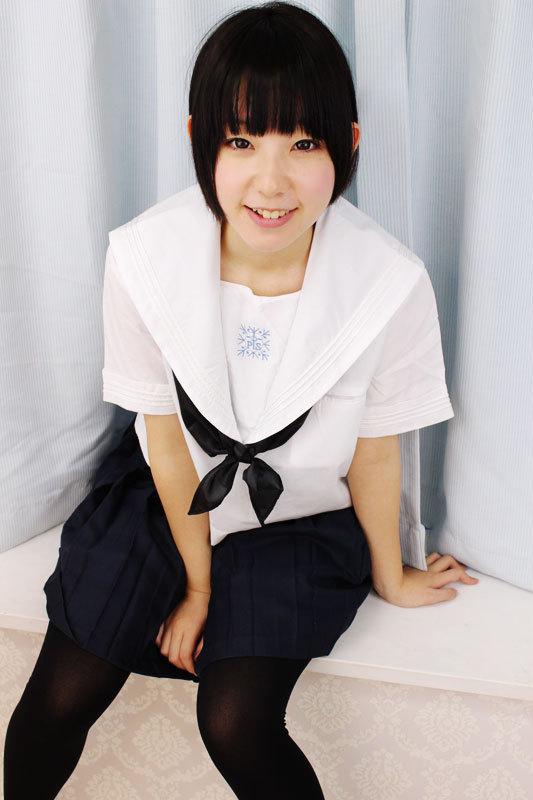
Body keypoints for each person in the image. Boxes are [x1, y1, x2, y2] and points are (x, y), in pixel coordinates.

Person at [3, 3, 479, 799]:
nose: (271, 181)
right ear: (200, 140)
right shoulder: (144, 258)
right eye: (241, 141)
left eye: (303, 144)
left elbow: (372, 452)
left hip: (303, 514)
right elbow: (162, 441)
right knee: (62, 693)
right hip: (165, 492)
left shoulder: (387, 283)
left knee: (235, 721)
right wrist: (197, 586)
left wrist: (390, 573)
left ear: (348, 144)